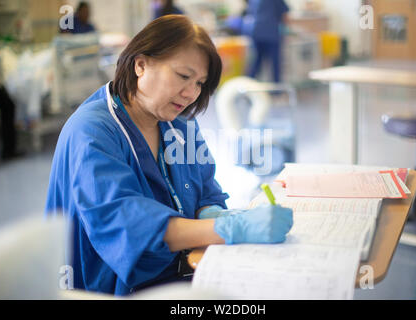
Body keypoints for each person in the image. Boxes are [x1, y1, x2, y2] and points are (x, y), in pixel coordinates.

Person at [45, 15, 293, 296]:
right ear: (141, 64)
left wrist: (212, 213)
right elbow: (129, 226)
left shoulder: (179, 122)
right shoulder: (91, 132)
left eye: (199, 83)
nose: (191, 93)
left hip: (179, 272)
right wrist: (233, 228)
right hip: (114, 287)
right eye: (183, 76)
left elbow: (206, 190)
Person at [244, 0, 290, 83]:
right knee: (275, 63)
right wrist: (286, 30)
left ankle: (247, 86)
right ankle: (276, 90)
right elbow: (284, 15)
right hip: (271, 33)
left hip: (256, 32)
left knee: (256, 62)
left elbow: (250, 14)